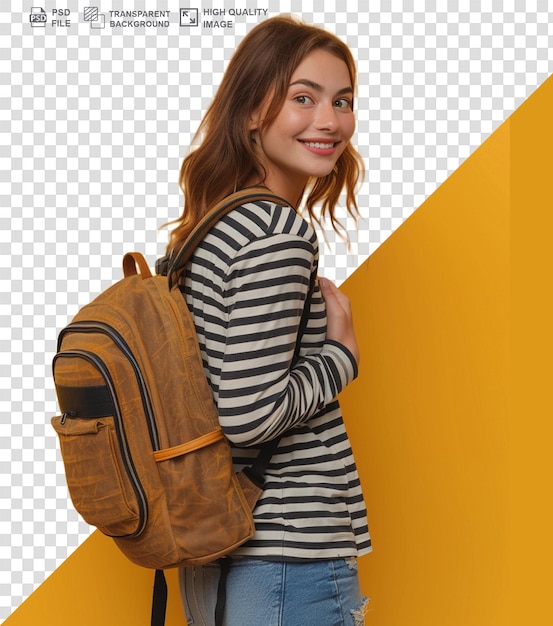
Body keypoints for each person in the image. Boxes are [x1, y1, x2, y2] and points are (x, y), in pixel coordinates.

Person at [167, 15, 372, 626]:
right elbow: (248, 416)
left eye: (343, 101)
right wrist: (341, 357)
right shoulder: (276, 232)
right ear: (254, 109)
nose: (330, 121)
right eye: (302, 98)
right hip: (287, 558)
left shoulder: (212, 226)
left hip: (228, 558)